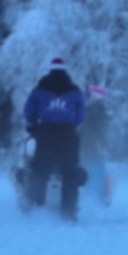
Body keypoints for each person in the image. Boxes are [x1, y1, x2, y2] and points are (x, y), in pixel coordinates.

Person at [22, 57, 86, 220]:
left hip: (45, 133)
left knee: (39, 169)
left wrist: (35, 123)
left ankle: (36, 206)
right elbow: (80, 116)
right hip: (68, 134)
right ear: (65, 70)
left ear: (50, 69)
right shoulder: (75, 91)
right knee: (70, 172)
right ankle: (68, 210)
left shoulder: (39, 89)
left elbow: (29, 111)